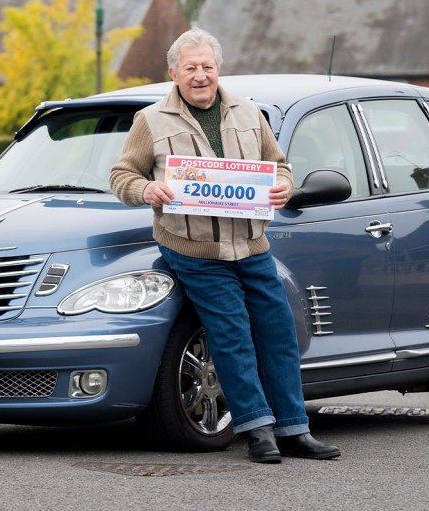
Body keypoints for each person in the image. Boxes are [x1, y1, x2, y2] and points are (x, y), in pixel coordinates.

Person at [109, 28, 340, 464]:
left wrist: (283, 186)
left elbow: (279, 166)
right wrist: (147, 191)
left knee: (279, 334)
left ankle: (294, 428)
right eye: (191, 68)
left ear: (219, 69)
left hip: (252, 246)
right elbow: (122, 176)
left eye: (207, 67)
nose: (200, 76)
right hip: (195, 251)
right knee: (231, 335)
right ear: (173, 72)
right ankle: (257, 430)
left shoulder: (249, 113)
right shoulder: (151, 120)